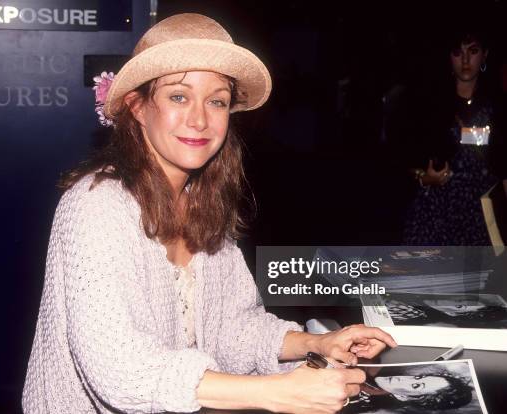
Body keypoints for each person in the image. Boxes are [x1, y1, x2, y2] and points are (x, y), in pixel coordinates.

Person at [22, 13, 397, 414]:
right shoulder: (97, 204)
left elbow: (235, 327)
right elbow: (120, 369)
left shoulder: (205, 202)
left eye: (216, 100)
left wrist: (316, 343)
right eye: (179, 96)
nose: (200, 119)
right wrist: (278, 392)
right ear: (138, 107)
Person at [401, 25, 507, 245]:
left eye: (473, 51)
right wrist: (425, 178)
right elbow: (405, 157)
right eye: (458, 53)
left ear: (485, 54)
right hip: (435, 213)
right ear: (449, 57)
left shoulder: (498, 107)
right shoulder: (428, 104)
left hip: (482, 216)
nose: (466, 60)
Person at [344, 373, 473, 412]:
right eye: (418, 377)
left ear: (403, 397)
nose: (404, 378)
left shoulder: (356, 405)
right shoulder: (371, 371)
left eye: (416, 385)